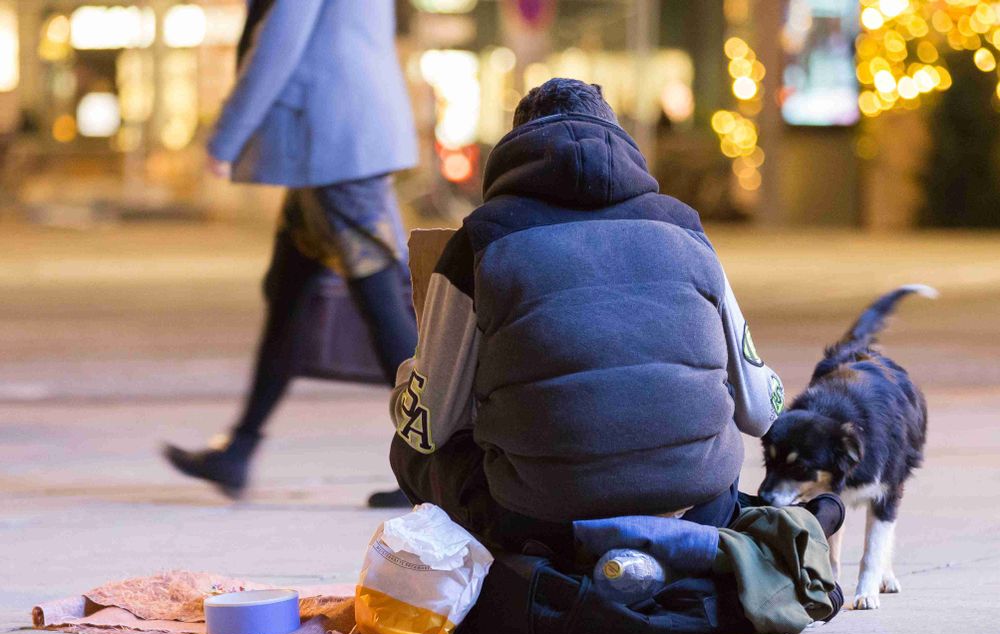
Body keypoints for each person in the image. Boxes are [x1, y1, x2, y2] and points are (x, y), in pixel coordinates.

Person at [388, 79, 788, 556]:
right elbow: (762, 412)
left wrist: (407, 380)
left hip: (542, 524)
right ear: (619, 140)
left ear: (515, 150)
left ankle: (516, 574)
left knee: (408, 450)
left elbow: (427, 426)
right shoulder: (685, 228)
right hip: (701, 510)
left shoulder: (479, 241)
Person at [163, 0, 418, 505]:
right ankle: (239, 447)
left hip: (334, 145)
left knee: (384, 305)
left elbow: (279, 41)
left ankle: (440, 462)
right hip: (333, 140)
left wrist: (226, 135)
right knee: (290, 296)